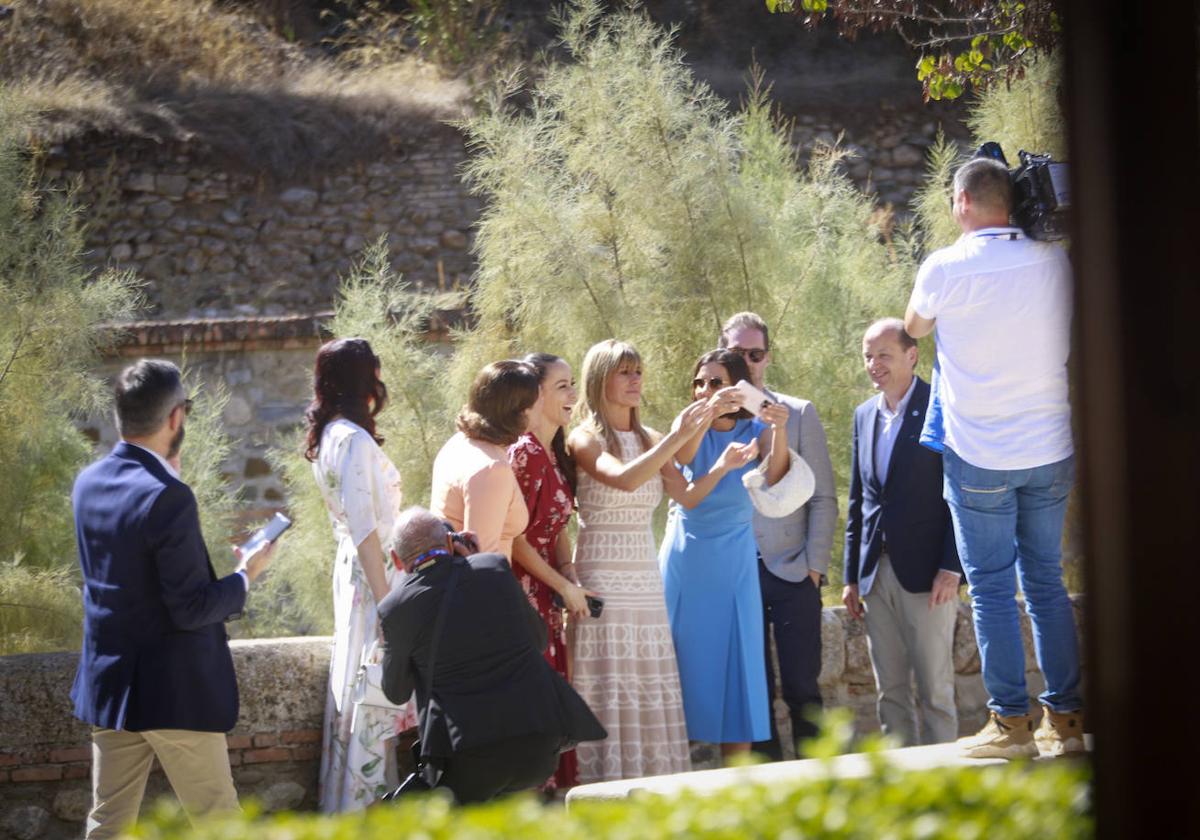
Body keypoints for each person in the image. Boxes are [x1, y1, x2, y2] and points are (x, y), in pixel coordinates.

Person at [905, 156, 1083, 758]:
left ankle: (1010, 724)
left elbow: (914, 326)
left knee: (990, 589)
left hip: (980, 454)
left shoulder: (945, 267)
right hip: (1051, 448)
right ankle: (1066, 719)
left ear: (960, 203)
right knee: (1046, 583)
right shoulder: (1055, 261)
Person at [70, 359, 275, 839]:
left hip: (111, 685)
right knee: (219, 822)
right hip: (172, 691)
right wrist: (247, 575)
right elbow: (192, 607)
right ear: (177, 418)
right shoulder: (168, 496)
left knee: (107, 823)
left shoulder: (88, 484)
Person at [378, 508, 605, 804]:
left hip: (468, 757)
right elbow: (539, 639)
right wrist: (474, 562)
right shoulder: (493, 567)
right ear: (449, 542)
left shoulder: (394, 608)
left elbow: (396, 692)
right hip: (538, 744)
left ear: (397, 560)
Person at [566, 339, 712, 782]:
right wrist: (679, 435)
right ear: (599, 380)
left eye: (638, 371)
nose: (635, 380)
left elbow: (685, 492)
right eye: (624, 371)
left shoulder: (648, 437)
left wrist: (715, 447)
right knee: (607, 684)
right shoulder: (582, 438)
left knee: (647, 681)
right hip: (602, 577)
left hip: (645, 581)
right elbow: (626, 479)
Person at [658, 349, 791, 758]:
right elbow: (683, 458)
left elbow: (777, 475)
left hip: (733, 560)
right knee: (676, 663)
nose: (705, 390)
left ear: (738, 385)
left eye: (716, 382)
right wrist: (702, 416)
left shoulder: (756, 431)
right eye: (699, 382)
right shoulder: (686, 423)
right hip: (685, 558)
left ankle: (735, 779)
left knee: (739, 665)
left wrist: (780, 429)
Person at [718, 312, 838, 757]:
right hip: (734, 573)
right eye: (737, 353)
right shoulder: (708, 418)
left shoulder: (799, 412)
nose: (747, 362)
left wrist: (814, 567)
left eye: (756, 353)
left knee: (804, 688)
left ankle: (820, 789)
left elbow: (824, 497)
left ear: (768, 357)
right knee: (754, 694)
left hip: (792, 572)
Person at [306, 337, 417, 811]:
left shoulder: (332, 434)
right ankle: (365, 807)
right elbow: (366, 528)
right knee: (374, 684)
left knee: (364, 685)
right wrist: (388, 603)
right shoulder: (351, 439)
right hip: (370, 574)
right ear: (363, 379)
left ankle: (367, 797)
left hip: (354, 569)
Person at [843, 318, 962, 746]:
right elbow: (859, 501)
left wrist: (952, 567)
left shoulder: (941, 407)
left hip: (930, 578)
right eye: (868, 355)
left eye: (884, 355)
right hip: (876, 577)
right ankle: (903, 785)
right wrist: (851, 576)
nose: (874, 364)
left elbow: (959, 495)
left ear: (912, 355)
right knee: (889, 693)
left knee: (936, 691)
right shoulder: (863, 416)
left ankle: (945, 783)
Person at [507, 352, 595, 791]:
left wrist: (569, 574)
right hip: (522, 595)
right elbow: (516, 538)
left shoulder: (551, 452)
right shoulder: (521, 453)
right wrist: (561, 583)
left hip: (546, 597)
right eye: (562, 385)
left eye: (573, 383)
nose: (573, 395)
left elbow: (554, 528)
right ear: (535, 393)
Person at [430, 360, 541, 559]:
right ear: (521, 411)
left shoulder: (458, 443)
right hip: (483, 587)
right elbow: (482, 562)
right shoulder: (491, 469)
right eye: (538, 399)